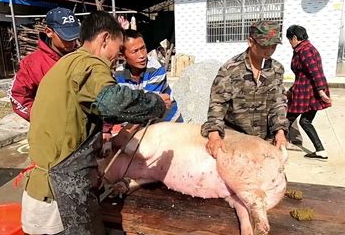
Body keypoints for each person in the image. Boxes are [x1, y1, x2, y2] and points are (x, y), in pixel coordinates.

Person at [21, 11, 168, 235]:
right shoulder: (90, 64)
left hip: (44, 187)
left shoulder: (67, 64)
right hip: (62, 192)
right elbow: (112, 102)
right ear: (105, 39)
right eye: (119, 49)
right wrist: (156, 104)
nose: (117, 58)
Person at [201, 21, 289, 159]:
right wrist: (214, 134)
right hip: (235, 140)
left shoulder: (276, 69)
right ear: (251, 42)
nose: (269, 50)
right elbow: (218, 103)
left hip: (264, 142)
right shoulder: (231, 69)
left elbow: (278, 103)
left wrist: (280, 131)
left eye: (273, 46)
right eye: (264, 45)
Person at [8, 7, 80, 121]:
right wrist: (42, 119)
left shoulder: (82, 57)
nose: (72, 42)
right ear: (49, 32)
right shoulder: (32, 64)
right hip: (52, 131)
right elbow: (17, 96)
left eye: (74, 36)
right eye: (66, 36)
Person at [114, 29, 183, 123]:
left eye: (143, 48)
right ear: (122, 55)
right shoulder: (118, 75)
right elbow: (121, 106)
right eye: (135, 51)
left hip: (168, 121)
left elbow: (150, 105)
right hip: (138, 123)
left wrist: (130, 106)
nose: (142, 55)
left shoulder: (156, 69)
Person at [285, 25, 331, 159]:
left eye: (289, 40)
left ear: (294, 37)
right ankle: (320, 150)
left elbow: (315, 71)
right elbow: (304, 74)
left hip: (306, 92)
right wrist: (291, 89)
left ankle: (279, 143)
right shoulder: (307, 49)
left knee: (288, 118)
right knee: (305, 121)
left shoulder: (304, 51)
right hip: (307, 90)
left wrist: (321, 91)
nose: (289, 43)